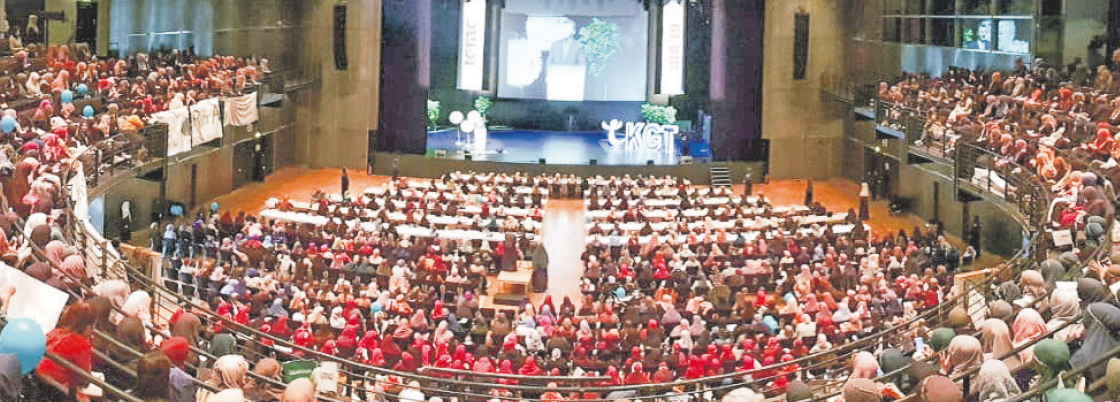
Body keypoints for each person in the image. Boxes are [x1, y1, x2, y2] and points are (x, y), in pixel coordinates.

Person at [35, 301, 95, 401]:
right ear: (87, 326)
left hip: (38, 381)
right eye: (92, 326)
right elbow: (84, 379)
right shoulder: (81, 343)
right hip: (55, 389)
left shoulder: (56, 332)